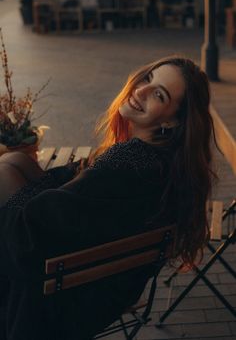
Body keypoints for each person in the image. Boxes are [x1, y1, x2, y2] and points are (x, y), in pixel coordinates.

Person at [0, 56, 215, 340]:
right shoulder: (163, 163)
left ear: (173, 121)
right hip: (95, 283)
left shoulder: (130, 161)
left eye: (159, 94)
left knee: (6, 167)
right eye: (148, 79)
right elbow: (75, 185)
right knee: (15, 159)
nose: (140, 91)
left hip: (62, 298)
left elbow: (27, 233)